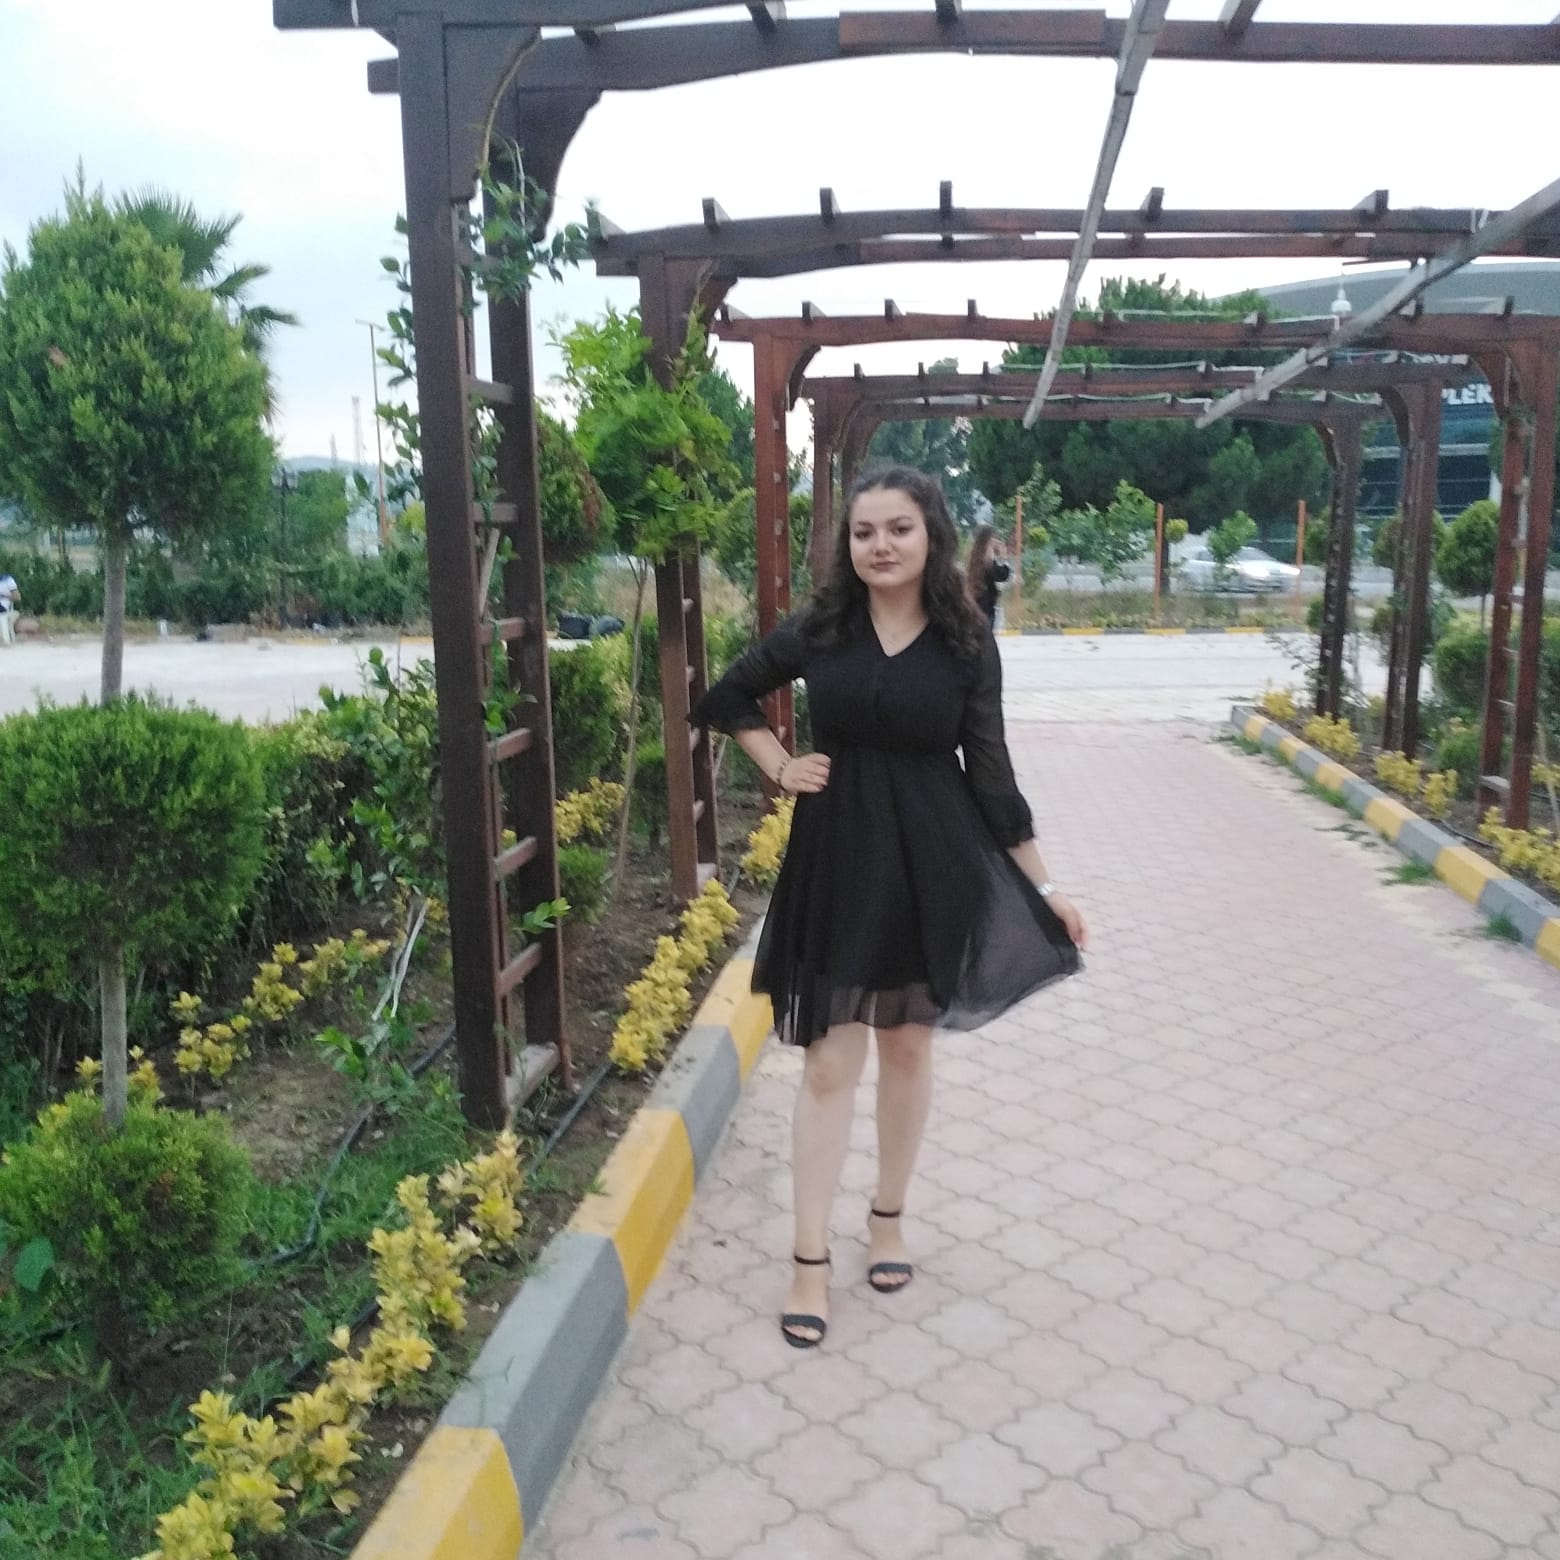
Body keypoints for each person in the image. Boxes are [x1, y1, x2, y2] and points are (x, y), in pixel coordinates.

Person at [690, 466, 1087, 1349]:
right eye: (864, 531)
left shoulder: (967, 641)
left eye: (898, 528)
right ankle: (807, 1261)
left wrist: (1046, 889)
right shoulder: (823, 628)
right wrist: (779, 764)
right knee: (830, 1064)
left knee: (907, 1046)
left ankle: (888, 1219)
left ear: (930, 535)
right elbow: (727, 695)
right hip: (838, 858)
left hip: (932, 863)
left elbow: (992, 777)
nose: (880, 545)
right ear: (849, 543)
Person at [967, 524, 1012, 631]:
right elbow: (1002, 576)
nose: (997, 541)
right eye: (995, 538)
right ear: (989, 540)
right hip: (986, 607)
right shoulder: (987, 559)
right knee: (986, 637)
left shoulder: (974, 556)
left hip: (975, 605)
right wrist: (1003, 558)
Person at [0, 572, 18, 647]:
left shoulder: (8, 580)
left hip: (3, 606)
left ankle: (6, 641)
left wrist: (3, 596)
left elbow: (17, 597)